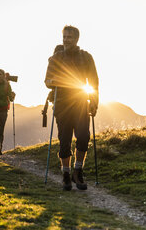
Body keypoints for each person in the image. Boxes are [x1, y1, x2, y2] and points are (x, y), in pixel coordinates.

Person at [45, 25, 99, 191]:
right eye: (64, 37)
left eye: (69, 37)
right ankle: (66, 175)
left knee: (83, 137)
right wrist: (59, 82)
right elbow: (47, 81)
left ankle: (78, 170)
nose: (66, 40)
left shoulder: (86, 57)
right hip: (62, 103)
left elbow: (94, 82)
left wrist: (94, 102)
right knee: (64, 140)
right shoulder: (55, 58)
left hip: (81, 102)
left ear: (76, 39)